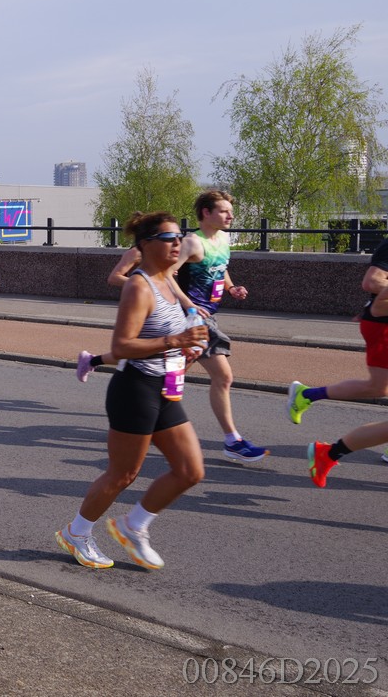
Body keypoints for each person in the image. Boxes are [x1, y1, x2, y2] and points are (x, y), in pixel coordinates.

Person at [54, 212, 209, 570]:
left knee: (190, 471)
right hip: (135, 389)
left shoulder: (168, 280)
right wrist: (176, 340)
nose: (177, 243)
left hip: (165, 388)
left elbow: (167, 336)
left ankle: (133, 525)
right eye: (168, 238)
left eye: (179, 236)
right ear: (145, 245)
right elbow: (122, 346)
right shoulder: (140, 286)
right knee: (123, 474)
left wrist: (186, 348)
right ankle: (76, 533)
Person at [76, 192, 265, 463]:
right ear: (206, 212)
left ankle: (99, 367)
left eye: (230, 211)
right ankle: (232, 440)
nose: (230, 216)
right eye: (224, 211)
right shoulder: (190, 243)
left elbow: (219, 267)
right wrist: (188, 305)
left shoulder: (223, 239)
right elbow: (165, 273)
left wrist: (231, 287)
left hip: (205, 315)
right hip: (191, 318)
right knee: (222, 376)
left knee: (168, 370)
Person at [287, 227, 388, 484]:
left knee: (378, 388)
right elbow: (372, 282)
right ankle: (327, 450)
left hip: (379, 321)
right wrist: (375, 307)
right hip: (382, 326)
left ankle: (325, 445)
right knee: (378, 387)